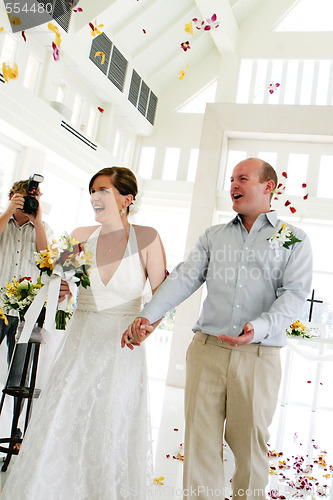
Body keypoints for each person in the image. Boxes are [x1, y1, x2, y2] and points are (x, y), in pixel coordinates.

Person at [122, 158, 313, 499]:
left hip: (259, 355)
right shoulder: (213, 236)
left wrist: (259, 327)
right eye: (231, 179)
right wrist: (149, 316)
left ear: (268, 186)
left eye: (243, 179)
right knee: (200, 445)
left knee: (250, 446)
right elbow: (184, 278)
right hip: (206, 350)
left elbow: (294, 295)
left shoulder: (293, 240)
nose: (234, 186)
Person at [0, 167, 166, 500]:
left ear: (127, 198)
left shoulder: (148, 237)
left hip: (122, 346)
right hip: (81, 338)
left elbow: (163, 295)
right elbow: (59, 278)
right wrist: (61, 288)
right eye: (93, 190)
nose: (95, 197)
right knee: (66, 414)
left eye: (103, 190)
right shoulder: (80, 234)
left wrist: (145, 326)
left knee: (111, 421)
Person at [0, 179, 51, 443]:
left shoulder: (43, 228)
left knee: (19, 375)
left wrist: (39, 222)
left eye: (32, 198)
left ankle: (15, 429)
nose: (27, 203)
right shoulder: (2, 220)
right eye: (21, 198)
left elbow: (47, 262)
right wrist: (8, 211)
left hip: (25, 313)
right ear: (11, 196)